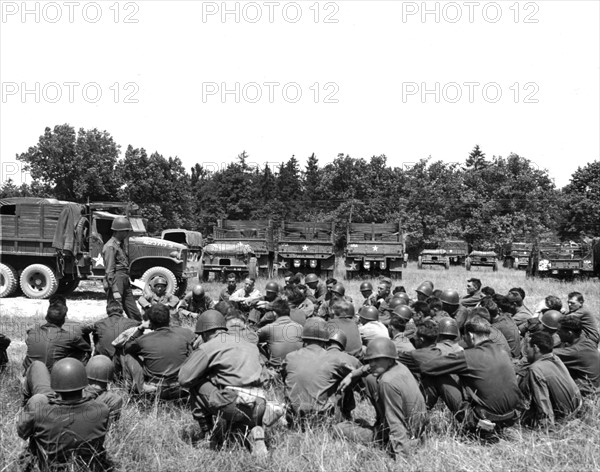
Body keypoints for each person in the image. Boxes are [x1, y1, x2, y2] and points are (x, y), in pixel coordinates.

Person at [178, 310, 268, 455]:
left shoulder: (209, 346)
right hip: (260, 405)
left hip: (234, 403)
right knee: (237, 423)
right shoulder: (248, 345)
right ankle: (254, 430)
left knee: (196, 385)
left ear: (205, 333)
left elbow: (184, 379)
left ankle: (209, 436)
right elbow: (264, 377)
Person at [420, 316, 521, 433]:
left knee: (438, 376)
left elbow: (428, 367)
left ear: (471, 336)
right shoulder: (502, 352)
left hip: (484, 419)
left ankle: (417, 416)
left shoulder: (469, 355)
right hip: (510, 417)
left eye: (465, 336)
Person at [336, 337, 427, 459]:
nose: (372, 363)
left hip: (406, 435)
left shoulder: (387, 382)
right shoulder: (398, 366)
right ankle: (381, 429)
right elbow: (370, 367)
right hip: (419, 430)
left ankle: (385, 438)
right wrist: (352, 374)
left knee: (338, 428)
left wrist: (402, 460)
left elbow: (396, 422)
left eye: (376, 360)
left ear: (389, 359)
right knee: (370, 379)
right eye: (370, 360)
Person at [17, 358, 112, 472]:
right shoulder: (102, 409)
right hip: (89, 467)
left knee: (37, 367)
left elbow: (22, 433)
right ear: (84, 383)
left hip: (48, 467)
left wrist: (32, 404)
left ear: (55, 387)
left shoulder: (39, 412)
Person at [281, 318, 352, 428]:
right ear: (325, 340)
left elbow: (284, 379)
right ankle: (346, 417)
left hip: (293, 416)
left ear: (304, 338)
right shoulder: (334, 359)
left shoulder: (289, 357)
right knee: (345, 381)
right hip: (321, 419)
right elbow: (354, 376)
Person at [122, 304, 194, 398]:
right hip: (181, 388)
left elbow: (126, 348)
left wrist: (140, 329)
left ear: (150, 323)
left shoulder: (143, 340)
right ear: (169, 319)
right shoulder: (184, 336)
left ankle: (140, 387)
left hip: (156, 390)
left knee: (128, 356)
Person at [398, 320, 464, 412]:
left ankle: (418, 412)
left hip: (437, 398)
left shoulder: (420, 354)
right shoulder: (460, 351)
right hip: (458, 398)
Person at [519, 332, 581, 427]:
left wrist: (546, 430)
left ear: (536, 348)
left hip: (562, 419)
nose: (526, 351)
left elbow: (543, 404)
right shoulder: (555, 359)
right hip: (576, 411)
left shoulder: (536, 369)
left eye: (527, 347)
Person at [23, 303, 91, 373]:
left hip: (32, 375)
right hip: (56, 376)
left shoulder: (32, 332)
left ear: (46, 318)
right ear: (63, 320)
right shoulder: (71, 336)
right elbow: (87, 349)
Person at [102, 216, 142, 321]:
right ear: (118, 231)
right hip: (116, 280)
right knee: (116, 310)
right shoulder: (110, 246)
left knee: (134, 312)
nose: (127, 234)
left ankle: (137, 329)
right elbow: (109, 272)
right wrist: (114, 290)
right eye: (125, 231)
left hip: (124, 280)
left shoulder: (120, 245)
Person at [554, 315, 600, 396]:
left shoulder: (575, 352)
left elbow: (546, 353)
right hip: (594, 388)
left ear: (569, 333)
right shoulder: (586, 341)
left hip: (586, 393)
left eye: (559, 331)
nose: (557, 333)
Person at [325, 330, 362, 420]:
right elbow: (362, 380)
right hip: (335, 411)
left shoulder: (317, 356)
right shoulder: (351, 359)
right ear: (343, 345)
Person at [257, 298, 303, 369]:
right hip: (297, 367)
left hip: (277, 369)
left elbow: (251, 339)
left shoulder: (268, 328)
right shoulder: (300, 327)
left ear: (274, 313)